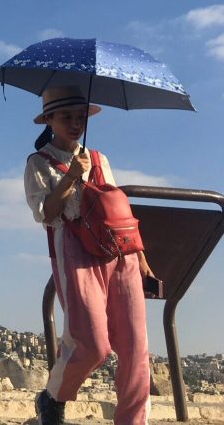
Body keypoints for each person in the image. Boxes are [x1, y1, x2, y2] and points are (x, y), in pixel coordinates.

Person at [24, 85, 153, 425]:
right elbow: (46, 214)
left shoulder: (99, 158)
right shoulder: (38, 162)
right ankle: (53, 395)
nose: (75, 122)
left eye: (80, 116)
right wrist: (70, 176)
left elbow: (117, 208)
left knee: (135, 345)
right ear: (49, 119)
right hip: (74, 252)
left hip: (118, 254)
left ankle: (132, 420)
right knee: (92, 343)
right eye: (66, 116)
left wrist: (140, 257)